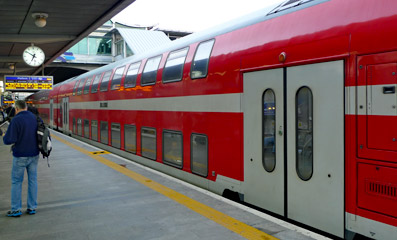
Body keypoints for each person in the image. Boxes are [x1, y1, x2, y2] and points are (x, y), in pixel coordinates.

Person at [3, 100, 39, 217]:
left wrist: (4, 135)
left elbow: (9, 140)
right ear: (26, 108)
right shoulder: (34, 118)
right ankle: (32, 207)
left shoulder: (16, 120)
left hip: (20, 156)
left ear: (16, 109)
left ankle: (16, 209)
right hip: (34, 155)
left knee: (16, 182)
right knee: (33, 180)